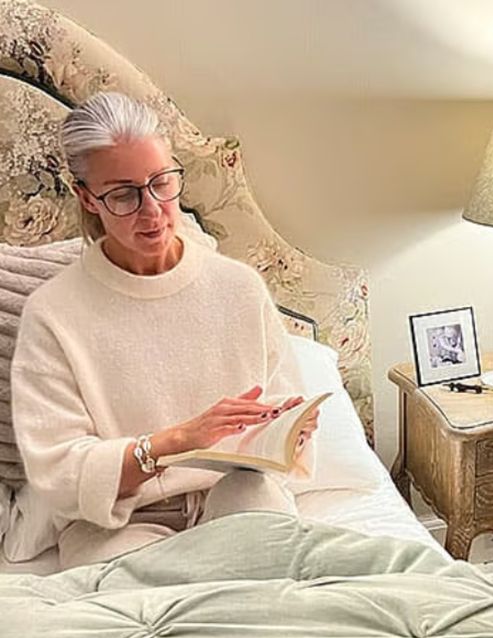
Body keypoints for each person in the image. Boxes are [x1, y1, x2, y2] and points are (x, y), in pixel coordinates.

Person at [10, 92, 318, 569]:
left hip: (236, 495)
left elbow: (283, 410)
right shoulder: (54, 315)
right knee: (147, 613)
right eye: (124, 193)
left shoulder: (237, 288)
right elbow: (59, 473)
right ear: (87, 197)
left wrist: (290, 430)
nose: (152, 210)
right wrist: (174, 442)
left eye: (161, 182)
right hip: (116, 525)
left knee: (272, 567)